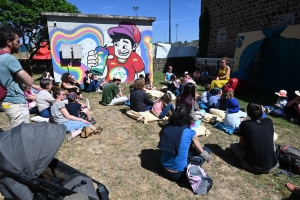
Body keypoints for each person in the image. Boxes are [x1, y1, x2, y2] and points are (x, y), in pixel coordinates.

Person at [158, 104, 212, 182]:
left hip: (162, 169)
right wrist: (208, 157)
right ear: (189, 117)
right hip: (179, 174)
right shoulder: (190, 132)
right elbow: (200, 151)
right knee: (206, 149)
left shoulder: (165, 128)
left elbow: (161, 137)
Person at [230, 103, 279, 174]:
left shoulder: (245, 124)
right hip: (273, 165)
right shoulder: (269, 122)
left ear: (248, 114)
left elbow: (241, 143)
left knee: (233, 145)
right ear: (262, 112)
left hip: (252, 166)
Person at [0, 26, 33, 128]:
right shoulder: (9, 58)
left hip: (5, 100)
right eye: (17, 41)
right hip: (16, 102)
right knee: (21, 136)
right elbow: (29, 81)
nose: (20, 44)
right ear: (9, 42)